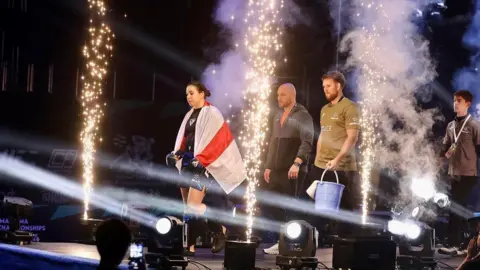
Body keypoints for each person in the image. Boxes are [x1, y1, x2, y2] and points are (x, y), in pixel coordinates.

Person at [167, 81, 246, 256]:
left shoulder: (213, 113)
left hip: (202, 168)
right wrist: (175, 154)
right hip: (187, 165)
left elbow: (217, 143)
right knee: (187, 209)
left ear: (202, 93)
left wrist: (200, 159)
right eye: (187, 93)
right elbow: (185, 140)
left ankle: (220, 228)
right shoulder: (189, 115)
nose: (188, 96)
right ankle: (190, 246)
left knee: (193, 206)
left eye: (192, 93)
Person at [263, 83, 314, 255]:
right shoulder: (277, 115)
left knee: (292, 206)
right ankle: (282, 238)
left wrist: (297, 163)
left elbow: (307, 141)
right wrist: (268, 166)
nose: (278, 98)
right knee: (269, 202)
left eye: (282, 95)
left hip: (293, 169)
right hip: (277, 170)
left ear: (292, 96)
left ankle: (290, 242)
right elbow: (272, 142)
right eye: (278, 94)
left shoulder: (302, 115)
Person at [310, 71, 360, 236]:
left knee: (345, 208)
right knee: (315, 205)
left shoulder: (350, 107)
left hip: (342, 167)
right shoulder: (324, 109)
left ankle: (348, 245)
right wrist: (317, 161)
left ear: (339, 85)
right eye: (324, 86)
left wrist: (338, 159)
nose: (325, 89)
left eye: (328, 86)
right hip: (322, 166)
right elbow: (322, 135)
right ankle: (313, 239)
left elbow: (352, 138)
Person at [439, 90, 480, 256]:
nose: (455, 103)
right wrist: (438, 159)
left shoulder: (474, 125)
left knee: (455, 207)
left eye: (459, 101)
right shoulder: (450, 125)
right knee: (459, 208)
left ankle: (454, 244)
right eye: (454, 100)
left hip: (468, 174)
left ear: (467, 104)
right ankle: (465, 245)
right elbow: (446, 148)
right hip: (453, 173)